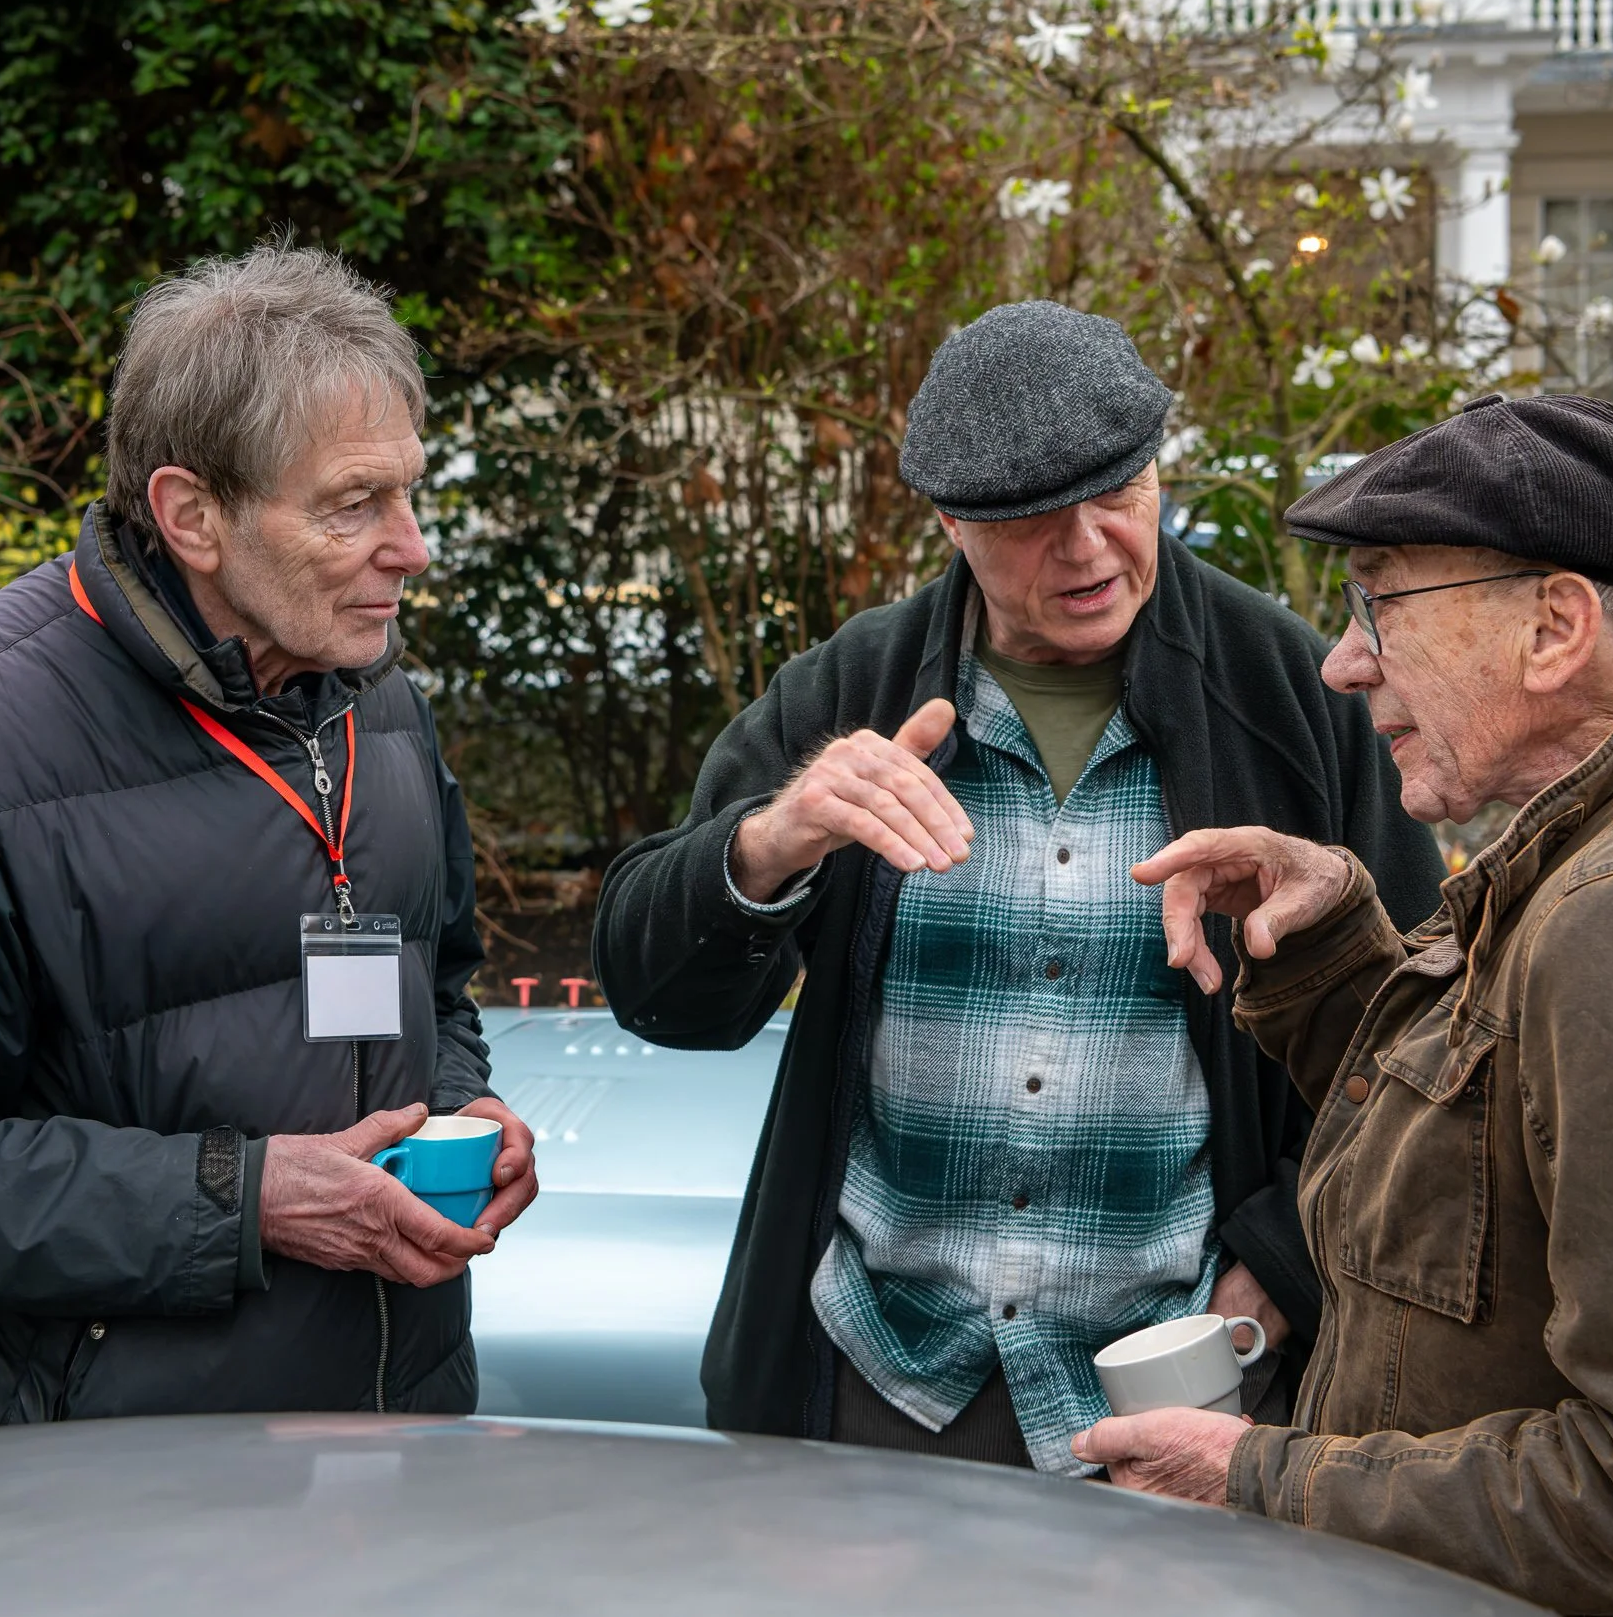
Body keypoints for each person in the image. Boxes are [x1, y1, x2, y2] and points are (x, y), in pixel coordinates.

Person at [1073, 395, 1613, 1615]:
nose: (1342, 661)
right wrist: (1331, 941)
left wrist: (1254, 1477)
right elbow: (1505, 1173)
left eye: (1379, 602)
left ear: (1555, 625)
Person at [593, 301, 1444, 1473]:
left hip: (1182, 1378)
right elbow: (656, 993)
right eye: (1036, 521)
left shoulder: (1292, 696)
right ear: (952, 521)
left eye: (1120, 493)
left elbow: (1422, 1039)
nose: (1090, 546)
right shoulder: (856, 684)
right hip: (877, 1374)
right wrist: (771, 840)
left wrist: (1280, 1272)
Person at [0, 246, 536, 1429]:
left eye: (408, 491)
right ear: (192, 514)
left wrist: (462, 1108)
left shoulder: (374, 696)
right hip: (113, 1497)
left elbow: (431, 987)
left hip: (392, 1445)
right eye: (353, 505)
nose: (413, 545)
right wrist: (244, 1198)